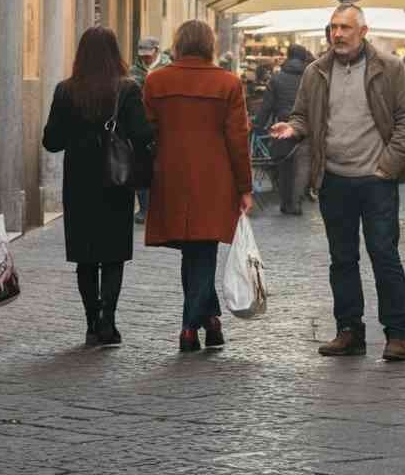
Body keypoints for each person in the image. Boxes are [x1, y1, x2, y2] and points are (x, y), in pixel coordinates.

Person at [270, 4, 405, 362]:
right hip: (334, 178)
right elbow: (304, 116)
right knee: (342, 259)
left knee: (384, 255)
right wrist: (294, 129)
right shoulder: (316, 71)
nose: (337, 34)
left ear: (363, 31)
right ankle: (349, 331)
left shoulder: (390, 67)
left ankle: (397, 334)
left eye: (345, 28)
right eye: (333, 27)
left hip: (377, 180)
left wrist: (388, 165)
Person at [143, 20, 253, 352]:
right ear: (209, 44)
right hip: (214, 178)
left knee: (193, 253)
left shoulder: (156, 81)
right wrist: (244, 186)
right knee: (201, 250)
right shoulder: (228, 83)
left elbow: (147, 131)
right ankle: (190, 327)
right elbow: (237, 138)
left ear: (177, 43)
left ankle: (211, 320)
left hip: (171, 176)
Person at [42, 27, 154, 346]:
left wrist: (76, 133)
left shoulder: (65, 90)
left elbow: (51, 141)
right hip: (116, 182)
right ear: (114, 53)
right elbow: (143, 135)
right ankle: (109, 320)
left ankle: (91, 323)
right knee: (113, 254)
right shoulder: (128, 89)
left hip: (79, 183)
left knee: (86, 256)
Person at [254, 44, 310, 215]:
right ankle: (297, 202)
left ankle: (286, 202)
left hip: (282, 127)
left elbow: (266, 107)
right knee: (303, 165)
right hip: (306, 128)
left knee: (285, 166)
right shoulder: (310, 77)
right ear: (303, 58)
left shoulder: (277, 79)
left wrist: (257, 125)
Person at [130, 37, 169, 224]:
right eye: (143, 56)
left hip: (164, 123)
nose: (145, 59)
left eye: (149, 55)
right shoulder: (134, 70)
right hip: (141, 122)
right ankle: (144, 209)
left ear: (156, 50)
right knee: (141, 165)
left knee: (162, 166)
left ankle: (161, 208)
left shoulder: (169, 67)